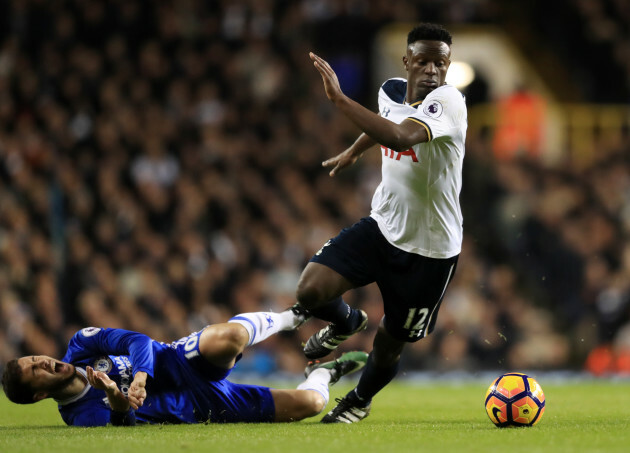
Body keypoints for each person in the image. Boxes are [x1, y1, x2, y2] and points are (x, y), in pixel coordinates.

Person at [295, 23, 466, 423]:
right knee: (311, 290)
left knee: (390, 343)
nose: (430, 71)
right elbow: (385, 117)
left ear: (447, 67)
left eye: (439, 63)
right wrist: (355, 150)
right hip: (383, 227)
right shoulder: (390, 89)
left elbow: (401, 135)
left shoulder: (449, 103)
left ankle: (358, 399)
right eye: (422, 61)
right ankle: (346, 321)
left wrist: (339, 100)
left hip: (430, 251)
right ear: (406, 61)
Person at [1, 306, 367, 426]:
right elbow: (121, 424)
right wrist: (115, 395)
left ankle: (294, 314)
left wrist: (140, 377)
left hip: (177, 362)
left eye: (36, 358)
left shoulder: (81, 344)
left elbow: (137, 341)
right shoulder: (79, 418)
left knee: (227, 339)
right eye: (36, 370)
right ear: (38, 395)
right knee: (312, 406)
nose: (45, 361)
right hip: (201, 406)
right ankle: (323, 373)